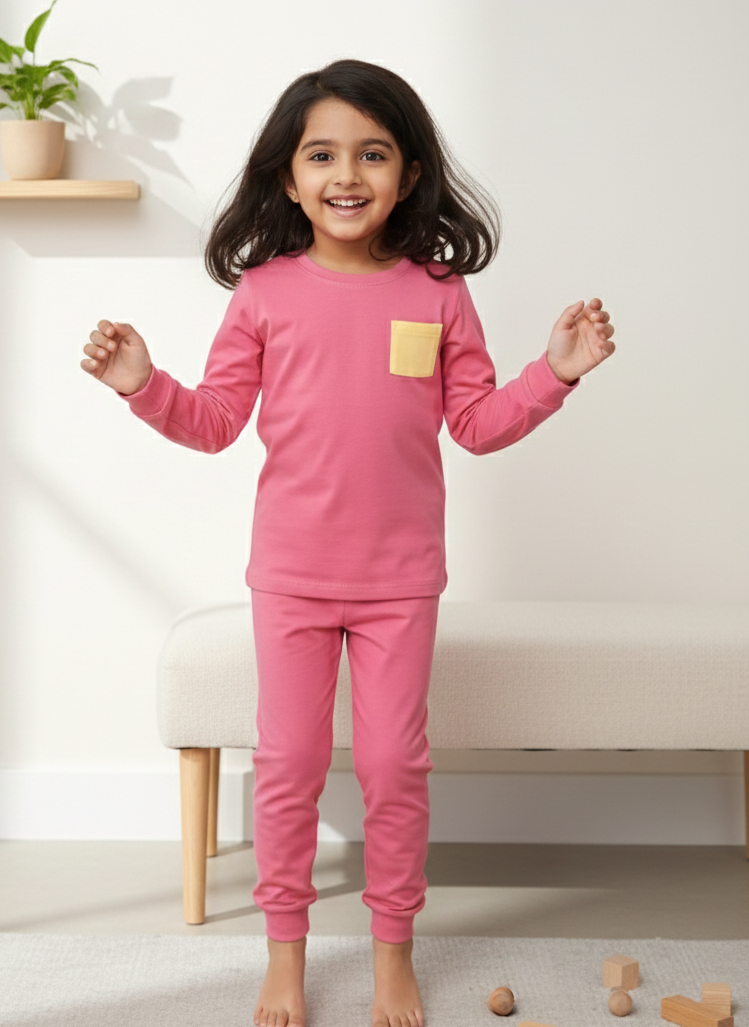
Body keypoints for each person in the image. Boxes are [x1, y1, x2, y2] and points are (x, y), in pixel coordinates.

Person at [80, 59, 615, 1027]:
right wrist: (142, 383)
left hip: (399, 582)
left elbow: (480, 424)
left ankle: (392, 955)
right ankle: (284, 960)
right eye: (322, 154)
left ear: (408, 174)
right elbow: (213, 421)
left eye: (372, 153)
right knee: (287, 764)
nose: (346, 174)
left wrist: (555, 372)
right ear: (289, 177)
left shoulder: (438, 291)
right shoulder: (265, 292)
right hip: (290, 577)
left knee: (393, 767)